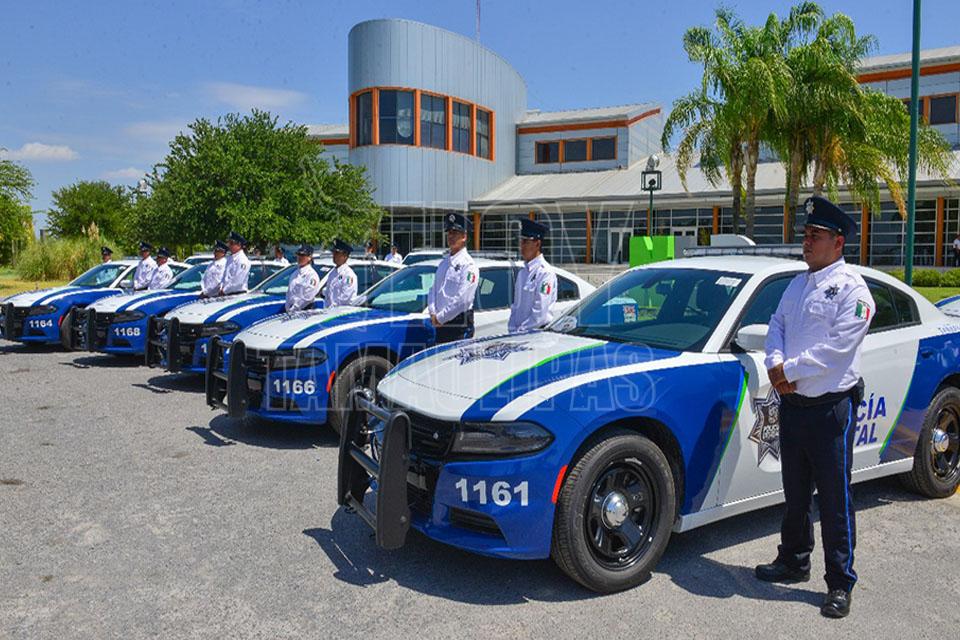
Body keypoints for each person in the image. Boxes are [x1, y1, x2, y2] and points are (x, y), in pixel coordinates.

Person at [756, 195, 875, 619]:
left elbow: (837, 349)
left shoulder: (854, 290)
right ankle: (794, 559)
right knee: (794, 493)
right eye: (806, 234)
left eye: (816, 235)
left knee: (835, 500)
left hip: (829, 410)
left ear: (838, 242)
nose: (806, 241)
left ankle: (840, 582)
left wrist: (788, 369)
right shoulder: (797, 284)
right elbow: (777, 325)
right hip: (793, 406)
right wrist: (774, 364)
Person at [428, 213, 480, 343]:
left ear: (464, 237)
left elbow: (463, 300)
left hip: (459, 327)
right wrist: (433, 313)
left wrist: (440, 318)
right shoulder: (443, 264)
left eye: (455, 233)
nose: (451, 236)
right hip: (440, 325)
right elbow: (433, 290)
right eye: (449, 233)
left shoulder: (468, 265)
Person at [508, 219, 557, 333]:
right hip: (518, 335)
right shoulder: (522, 273)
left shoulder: (545, 273)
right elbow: (516, 307)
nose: (522, 246)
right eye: (521, 241)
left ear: (537, 244)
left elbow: (540, 314)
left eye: (526, 242)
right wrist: (512, 330)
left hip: (536, 335)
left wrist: (520, 331)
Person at [285, 244, 321, 312]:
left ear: (309, 257)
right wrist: (287, 307)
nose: (299, 257)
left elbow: (307, 297)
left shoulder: (312, 275)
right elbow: (289, 293)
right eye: (298, 255)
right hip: (291, 311)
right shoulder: (294, 274)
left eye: (303, 255)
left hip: (304, 311)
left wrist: (294, 308)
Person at [324, 239, 358, 308]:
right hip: (330, 311)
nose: (334, 255)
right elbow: (328, 295)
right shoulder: (332, 273)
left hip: (343, 311)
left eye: (337, 253)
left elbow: (345, 297)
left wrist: (332, 307)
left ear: (345, 256)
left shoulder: (348, 275)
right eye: (333, 253)